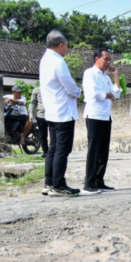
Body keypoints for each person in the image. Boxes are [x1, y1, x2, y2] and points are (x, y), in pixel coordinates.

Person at [39, 30, 81, 197]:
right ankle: (59, 185)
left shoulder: (44, 59)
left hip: (51, 111)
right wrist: (78, 92)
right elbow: (70, 85)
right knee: (62, 150)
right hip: (63, 112)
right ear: (61, 45)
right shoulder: (58, 61)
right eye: (67, 47)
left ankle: (49, 182)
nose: (67, 50)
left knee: (53, 149)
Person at [81, 48, 121, 195]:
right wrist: (106, 94)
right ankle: (89, 183)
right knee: (94, 150)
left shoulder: (106, 77)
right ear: (97, 59)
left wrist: (115, 76)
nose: (108, 62)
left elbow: (116, 94)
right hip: (94, 115)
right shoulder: (89, 73)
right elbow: (92, 93)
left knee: (103, 151)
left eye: (110, 59)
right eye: (106, 59)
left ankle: (99, 180)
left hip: (106, 115)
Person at [29, 85, 49, 158]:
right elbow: (33, 102)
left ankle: (54, 150)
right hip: (41, 115)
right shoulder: (37, 90)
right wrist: (31, 114)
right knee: (43, 134)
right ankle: (45, 151)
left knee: (55, 134)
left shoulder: (53, 87)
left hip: (53, 115)